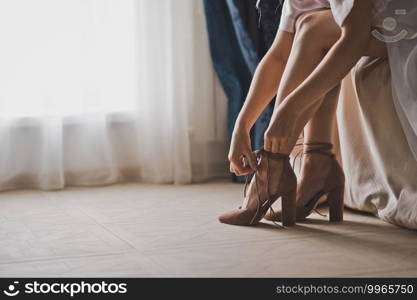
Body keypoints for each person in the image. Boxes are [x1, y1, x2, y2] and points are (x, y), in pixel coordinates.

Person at [218, 0, 391, 226]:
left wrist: (290, 110)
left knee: (312, 27)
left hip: (402, 23)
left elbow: (354, 38)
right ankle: (318, 160)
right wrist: (242, 126)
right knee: (308, 22)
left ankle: (273, 168)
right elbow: (279, 55)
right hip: (371, 25)